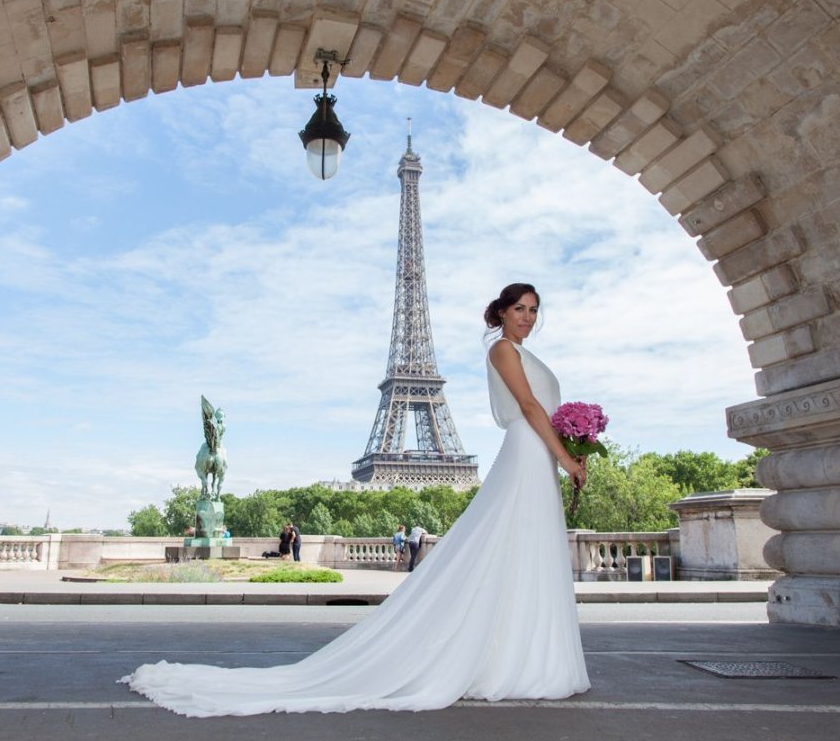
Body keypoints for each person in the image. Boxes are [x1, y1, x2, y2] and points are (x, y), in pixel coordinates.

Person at [121, 283, 589, 715]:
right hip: (531, 454)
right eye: (519, 309)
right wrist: (569, 458)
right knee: (514, 550)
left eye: (533, 311)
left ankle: (518, 657)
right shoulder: (503, 350)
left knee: (524, 555)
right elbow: (528, 408)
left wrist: (570, 446)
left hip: (537, 459)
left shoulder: (524, 353)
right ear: (501, 313)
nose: (527, 317)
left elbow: (541, 410)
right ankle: (511, 657)